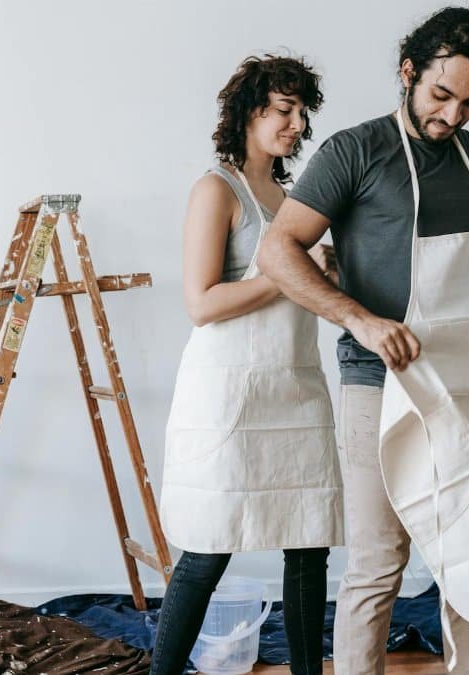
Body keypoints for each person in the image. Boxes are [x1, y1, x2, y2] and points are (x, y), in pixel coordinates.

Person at [257, 8, 469, 674]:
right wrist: (358, 319)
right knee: (377, 561)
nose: (454, 116)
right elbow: (278, 250)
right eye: (442, 95)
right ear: (408, 73)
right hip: (379, 387)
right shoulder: (354, 151)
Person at [154, 54, 343, 675]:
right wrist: (291, 273)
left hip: (294, 385)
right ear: (248, 112)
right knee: (210, 547)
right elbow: (202, 304)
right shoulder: (217, 189)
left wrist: (323, 275)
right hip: (231, 394)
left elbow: (304, 287)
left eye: (301, 112)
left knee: (309, 547)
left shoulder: (290, 198)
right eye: (284, 110)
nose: (297, 124)